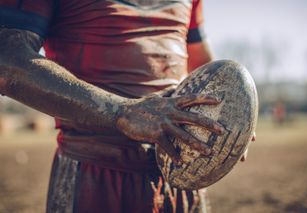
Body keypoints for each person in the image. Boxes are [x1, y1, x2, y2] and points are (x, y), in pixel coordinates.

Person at [0, 0, 253, 212]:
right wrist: (121, 111)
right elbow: (7, 59)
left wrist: (231, 112)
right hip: (93, 178)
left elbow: (201, 64)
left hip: (181, 177)